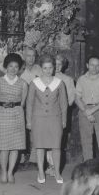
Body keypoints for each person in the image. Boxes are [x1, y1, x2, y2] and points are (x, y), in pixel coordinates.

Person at [26, 54, 68, 184]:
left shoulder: (59, 83)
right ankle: (40, 172)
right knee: (39, 147)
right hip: (38, 119)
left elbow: (64, 104)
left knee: (56, 147)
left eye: (50, 68)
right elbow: (29, 103)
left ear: (54, 68)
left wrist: (64, 120)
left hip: (55, 119)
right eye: (45, 68)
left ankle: (57, 172)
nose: (48, 70)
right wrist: (28, 121)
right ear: (41, 68)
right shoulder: (34, 83)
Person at [0, 53, 28, 184]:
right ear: (6, 66)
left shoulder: (23, 83)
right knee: (4, 147)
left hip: (17, 115)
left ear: (19, 68)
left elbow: (23, 102)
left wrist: (17, 110)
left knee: (15, 147)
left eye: (16, 66)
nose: (13, 69)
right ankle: (3, 172)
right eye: (10, 66)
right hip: (2, 115)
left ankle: (10, 172)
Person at [46, 54, 76, 176]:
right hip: (45, 114)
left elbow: (71, 98)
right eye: (55, 64)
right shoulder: (45, 78)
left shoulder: (68, 80)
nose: (57, 66)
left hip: (59, 114)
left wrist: (60, 108)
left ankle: (55, 166)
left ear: (63, 66)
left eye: (59, 64)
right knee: (46, 140)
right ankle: (50, 165)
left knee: (57, 141)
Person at [75, 55, 99, 161]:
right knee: (86, 141)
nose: (94, 68)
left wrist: (92, 111)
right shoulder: (81, 79)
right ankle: (89, 168)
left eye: (97, 65)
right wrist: (86, 111)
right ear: (87, 65)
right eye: (92, 65)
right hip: (84, 110)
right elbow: (77, 98)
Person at [20, 46, 42, 164]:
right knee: (21, 128)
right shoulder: (19, 68)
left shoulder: (39, 69)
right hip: (21, 104)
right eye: (28, 56)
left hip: (35, 104)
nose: (31, 58)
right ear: (24, 56)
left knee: (35, 129)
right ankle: (21, 155)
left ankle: (34, 157)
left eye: (33, 56)